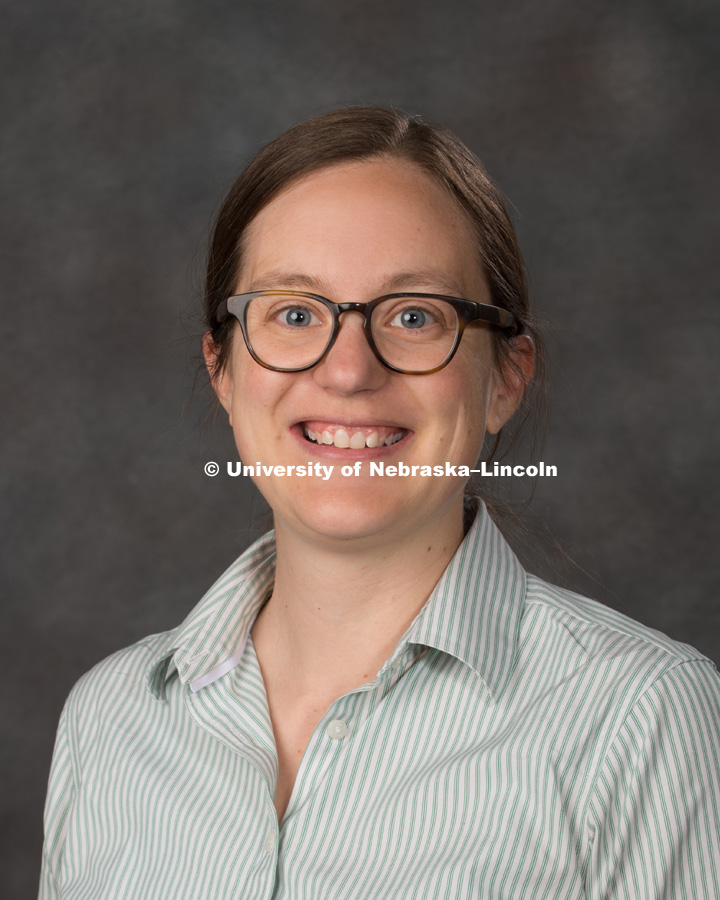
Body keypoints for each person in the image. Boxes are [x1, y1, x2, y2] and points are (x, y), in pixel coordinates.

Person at [39, 107, 720, 899]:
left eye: (414, 316)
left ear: (505, 376)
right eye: (295, 314)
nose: (350, 370)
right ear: (223, 369)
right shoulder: (108, 721)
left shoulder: (644, 718)